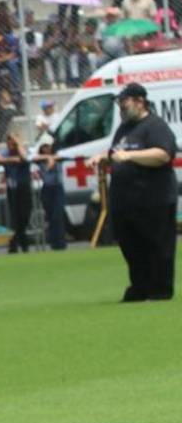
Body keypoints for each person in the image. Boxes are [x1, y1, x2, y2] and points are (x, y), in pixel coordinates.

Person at [88, 83, 178, 301]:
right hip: (125, 201)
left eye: (124, 101)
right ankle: (139, 287)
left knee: (156, 246)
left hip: (152, 199)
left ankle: (159, 290)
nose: (121, 106)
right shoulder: (124, 128)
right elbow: (118, 151)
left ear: (139, 101)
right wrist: (103, 156)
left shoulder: (155, 126)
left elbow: (163, 154)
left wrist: (129, 157)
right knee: (131, 246)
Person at [0, 133, 32, 254]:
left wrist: (19, 144)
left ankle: (14, 242)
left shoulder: (21, 150)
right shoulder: (6, 153)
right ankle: (22, 245)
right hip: (12, 189)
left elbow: (24, 158)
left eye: (13, 142)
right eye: (9, 141)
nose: (11, 144)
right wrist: (11, 160)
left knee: (25, 217)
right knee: (17, 218)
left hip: (24, 187)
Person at [37, 143, 67, 251]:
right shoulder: (40, 160)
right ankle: (53, 243)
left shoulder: (58, 156)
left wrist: (52, 158)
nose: (46, 149)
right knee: (50, 216)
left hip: (57, 187)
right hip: (47, 188)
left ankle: (61, 242)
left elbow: (61, 156)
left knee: (57, 215)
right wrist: (48, 158)